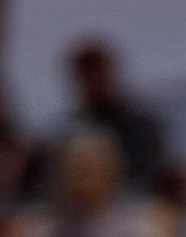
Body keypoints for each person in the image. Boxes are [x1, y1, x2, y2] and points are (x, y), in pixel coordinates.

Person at [0, 125, 178, 237]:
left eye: (87, 169)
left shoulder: (147, 219)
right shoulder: (35, 226)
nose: (78, 178)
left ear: (113, 170)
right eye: (70, 167)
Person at [67, 40, 166, 192]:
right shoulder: (69, 132)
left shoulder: (141, 126)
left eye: (98, 74)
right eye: (86, 76)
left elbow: (152, 175)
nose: (94, 83)